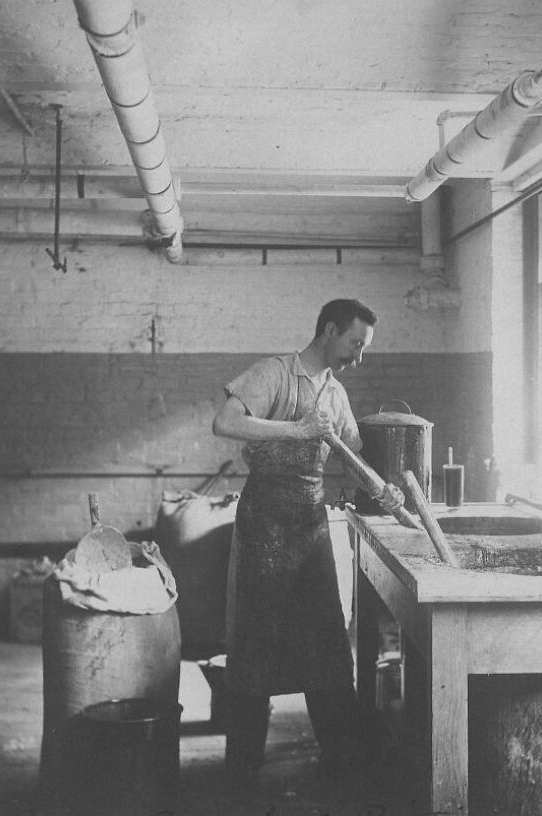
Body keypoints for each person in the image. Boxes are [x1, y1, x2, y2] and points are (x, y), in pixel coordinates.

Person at [212, 298, 404, 785]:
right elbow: (225, 422)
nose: (358, 356)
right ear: (330, 330)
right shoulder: (275, 373)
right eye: (355, 343)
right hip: (264, 521)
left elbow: (355, 461)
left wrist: (382, 488)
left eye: (363, 348)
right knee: (255, 641)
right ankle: (242, 772)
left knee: (327, 639)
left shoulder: (335, 394)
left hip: (310, 524)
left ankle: (343, 762)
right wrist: (296, 429)